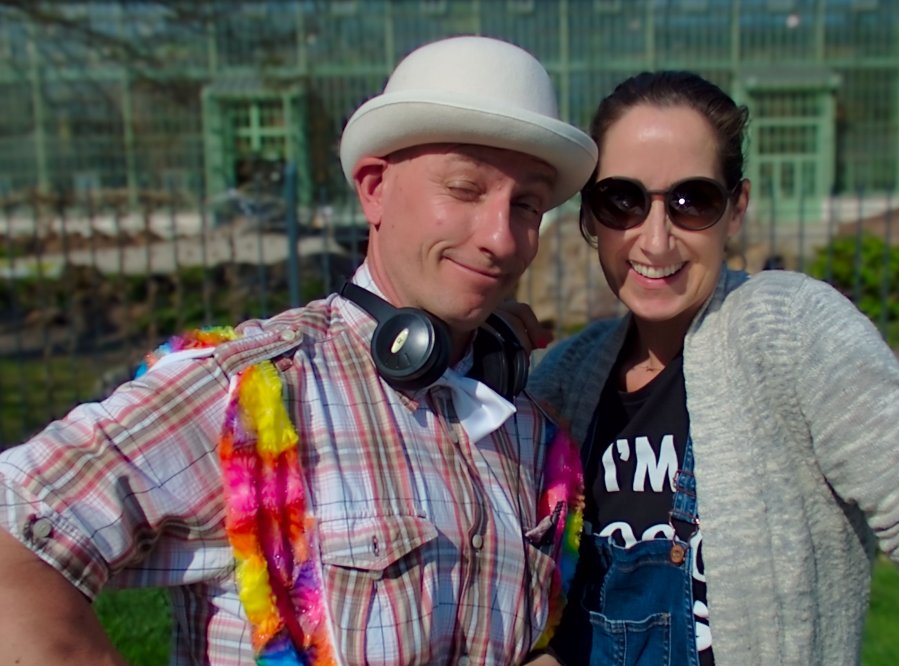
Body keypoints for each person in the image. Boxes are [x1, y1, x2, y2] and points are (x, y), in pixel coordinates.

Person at [0, 36, 597, 665]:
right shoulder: (254, 393)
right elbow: (14, 533)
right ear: (374, 189)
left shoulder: (526, 427)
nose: (502, 238)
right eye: (466, 189)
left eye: (526, 205)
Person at [523, 71, 899, 665]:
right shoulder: (566, 377)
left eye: (692, 201)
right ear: (589, 216)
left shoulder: (790, 331)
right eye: (622, 200)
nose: (655, 240)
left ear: (736, 209)